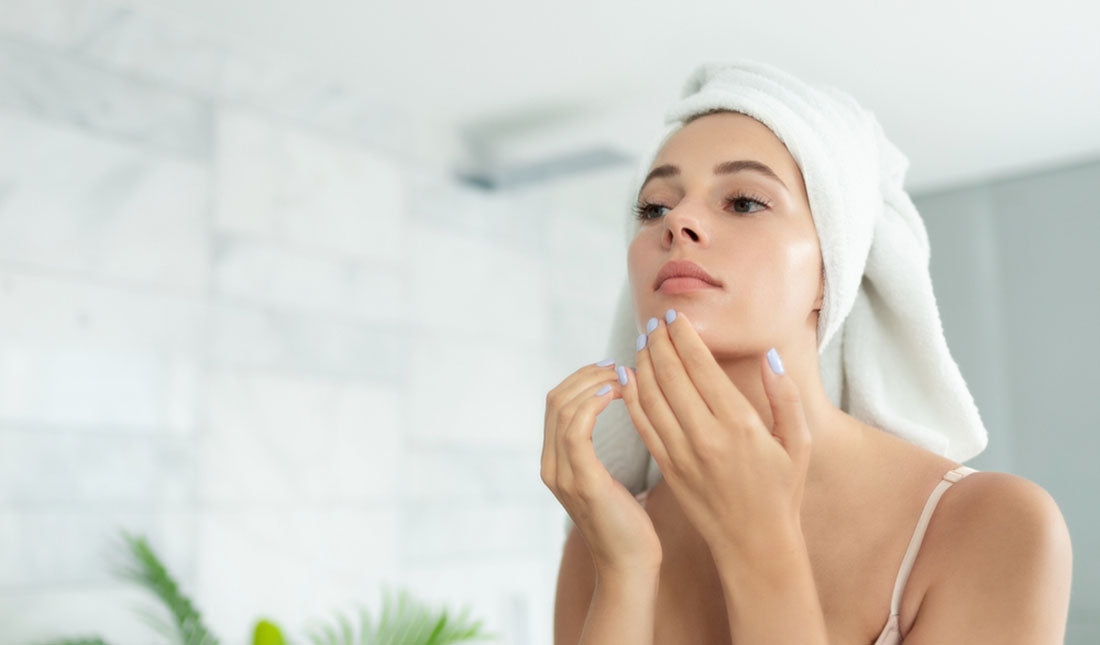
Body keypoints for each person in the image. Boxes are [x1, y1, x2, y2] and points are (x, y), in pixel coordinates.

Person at [541, 70, 1073, 644]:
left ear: (830, 272)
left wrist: (759, 543)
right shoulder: (603, 539)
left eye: (743, 201)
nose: (678, 222)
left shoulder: (992, 527)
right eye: (653, 208)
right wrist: (626, 572)